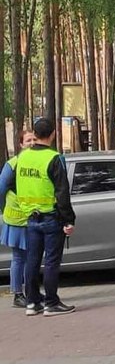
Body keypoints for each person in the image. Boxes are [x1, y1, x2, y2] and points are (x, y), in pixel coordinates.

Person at [14, 118, 76, 316]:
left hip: (30, 217)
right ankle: (51, 302)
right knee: (51, 261)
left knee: (32, 260)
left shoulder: (22, 158)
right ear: (53, 134)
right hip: (51, 217)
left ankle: (32, 302)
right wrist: (68, 219)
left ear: (35, 133)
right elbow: (62, 192)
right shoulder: (54, 158)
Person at [0, 130, 38, 308]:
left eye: (34, 139)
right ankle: (17, 294)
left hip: (33, 216)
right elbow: (1, 189)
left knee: (33, 257)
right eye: (28, 140)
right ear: (21, 144)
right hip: (16, 219)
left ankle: (32, 291)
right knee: (18, 257)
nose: (32, 143)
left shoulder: (37, 161)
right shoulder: (12, 164)